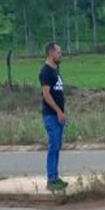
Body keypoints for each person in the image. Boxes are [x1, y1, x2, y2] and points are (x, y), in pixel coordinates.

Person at [40, 42, 67, 191]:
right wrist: (58, 111)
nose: (60, 55)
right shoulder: (46, 72)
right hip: (51, 115)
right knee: (53, 146)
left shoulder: (55, 70)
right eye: (58, 53)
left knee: (57, 146)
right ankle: (51, 179)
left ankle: (55, 177)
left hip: (58, 114)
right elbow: (46, 94)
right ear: (51, 53)